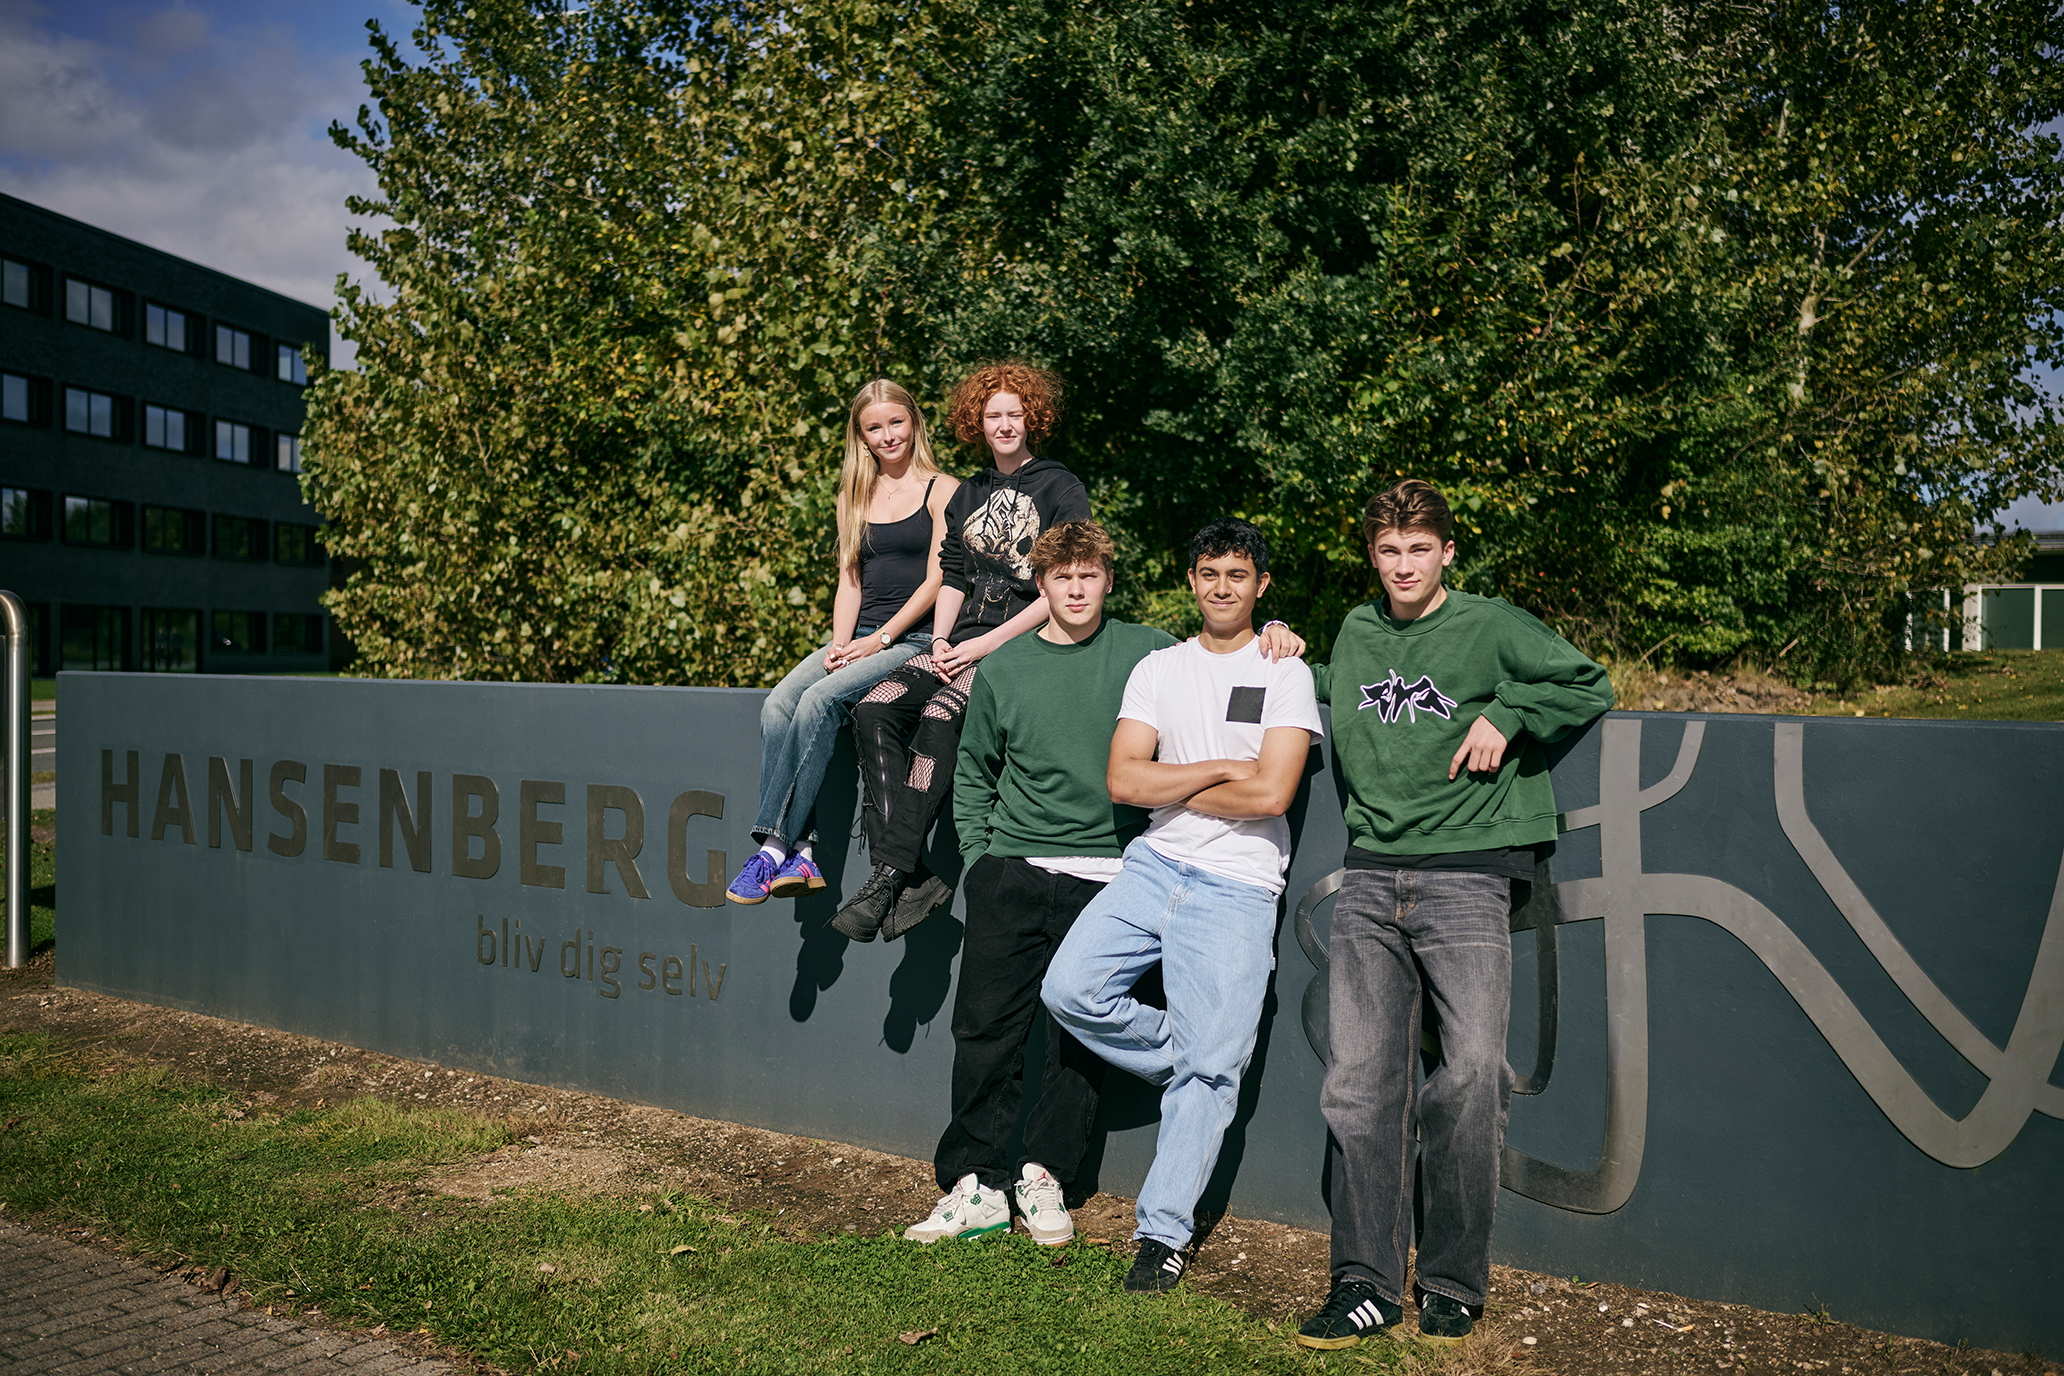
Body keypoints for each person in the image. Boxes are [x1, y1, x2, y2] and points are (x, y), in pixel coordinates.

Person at [907, 520, 1305, 1244]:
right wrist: (981, 860)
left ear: (1108, 581)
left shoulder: (1146, 651)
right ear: (1041, 585)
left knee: (1074, 1046)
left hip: (1113, 870)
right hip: (1014, 867)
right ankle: (976, 1184)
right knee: (985, 1030)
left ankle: (1045, 1178)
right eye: (1062, 577)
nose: (1076, 589)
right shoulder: (1005, 666)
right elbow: (974, 771)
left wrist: (1278, 631)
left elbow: (1228, 652)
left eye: (1089, 575)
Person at [1293, 479, 1612, 1350]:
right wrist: (1280, 647)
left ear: (1447, 553)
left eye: (1419, 550)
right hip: (1369, 877)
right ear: (1372, 555)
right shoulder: (1356, 629)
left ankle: (1451, 1280)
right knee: (1359, 1084)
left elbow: (1588, 682)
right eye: (1389, 551)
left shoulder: (1490, 624)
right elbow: (1332, 685)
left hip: (1468, 876)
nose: (1404, 566)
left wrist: (1509, 713)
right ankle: (1364, 1283)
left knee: (1471, 1072)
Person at [1041, 517, 1323, 1292]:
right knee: (1069, 989)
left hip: (1238, 888)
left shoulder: (1285, 671)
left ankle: (1161, 1236)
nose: (1222, 587)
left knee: (1211, 1069)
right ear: (1192, 581)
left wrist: (1172, 782)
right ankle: (1198, 1066)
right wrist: (1220, 768)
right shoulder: (1159, 668)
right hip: (1152, 866)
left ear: (1261, 585)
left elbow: (1271, 794)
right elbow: (1124, 780)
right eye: (1209, 573)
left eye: (1238, 574)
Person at [836, 361, 1087, 942]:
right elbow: (952, 575)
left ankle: (888, 877)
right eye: (993, 415)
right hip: (961, 641)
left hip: (1020, 648)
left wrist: (988, 644)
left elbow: (1063, 585)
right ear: (978, 422)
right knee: (874, 706)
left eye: (1014, 414)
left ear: (1032, 418)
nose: (1004, 425)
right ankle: (912, 875)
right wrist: (943, 640)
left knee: (940, 714)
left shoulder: (1060, 487)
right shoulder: (969, 492)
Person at [725, 379, 958, 904]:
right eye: (874, 428)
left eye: (896, 422)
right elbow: (849, 582)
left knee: (819, 701)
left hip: (912, 638)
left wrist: (881, 638)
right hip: (859, 637)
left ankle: (772, 848)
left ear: (914, 422)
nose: (888, 435)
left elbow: (938, 579)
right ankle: (803, 851)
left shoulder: (943, 489)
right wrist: (839, 644)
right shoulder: (852, 494)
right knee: (777, 705)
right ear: (861, 436)